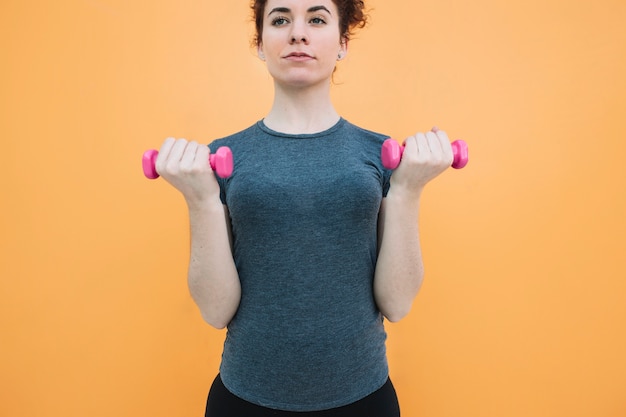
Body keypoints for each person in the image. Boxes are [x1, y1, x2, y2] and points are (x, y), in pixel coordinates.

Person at [154, 0, 454, 415]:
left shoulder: (380, 154)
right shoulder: (222, 158)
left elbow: (397, 304)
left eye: (316, 19)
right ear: (261, 44)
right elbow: (215, 310)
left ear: (342, 43)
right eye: (280, 20)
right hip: (245, 399)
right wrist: (201, 198)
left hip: (363, 398)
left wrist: (407, 191)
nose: (298, 33)